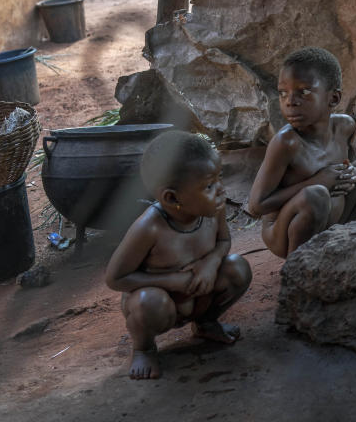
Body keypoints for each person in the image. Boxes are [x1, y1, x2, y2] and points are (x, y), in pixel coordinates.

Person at [105, 130, 251, 380]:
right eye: (208, 185)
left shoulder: (213, 208)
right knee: (147, 302)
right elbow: (116, 278)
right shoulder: (149, 228)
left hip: (199, 297)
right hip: (161, 306)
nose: (220, 189)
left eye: (219, 177)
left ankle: (206, 323)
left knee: (238, 268)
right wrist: (172, 280)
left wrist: (211, 261)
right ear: (172, 198)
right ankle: (144, 348)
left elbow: (224, 241)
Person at [244, 47, 356, 258]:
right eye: (283, 93)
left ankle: (339, 234)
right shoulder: (286, 143)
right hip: (283, 232)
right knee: (316, 194)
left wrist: (348, 173)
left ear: (333, 99)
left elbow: (340, 167)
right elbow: (256, 205)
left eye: (303, 91)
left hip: (331, 214)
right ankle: (299, 265)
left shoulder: (344, 126)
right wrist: (318, 181)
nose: (290, 101)